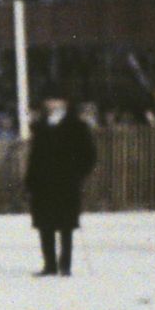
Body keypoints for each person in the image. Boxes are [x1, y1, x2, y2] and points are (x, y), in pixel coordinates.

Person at [24, 91, 98, 277]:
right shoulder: (40, 126)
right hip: (43, 183)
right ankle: (49, 265)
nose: (53, 104)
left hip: (66, 183)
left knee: (65, 226)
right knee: (44, 224)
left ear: (65, 102)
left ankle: (65, 265)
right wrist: (30, 179)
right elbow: (34, 156)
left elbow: (88, 155)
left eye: (57, 100)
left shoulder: (76, 126)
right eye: (50, 100)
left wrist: (77, 174)